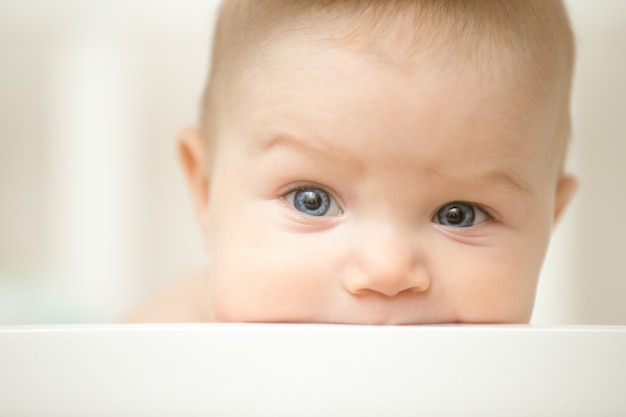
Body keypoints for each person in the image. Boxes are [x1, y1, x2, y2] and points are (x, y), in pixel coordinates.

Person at [126, 0, 578, 324]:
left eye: (459, 215)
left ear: (550, 219)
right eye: (312, 201)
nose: (387, 271)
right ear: (205, 190)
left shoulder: (545, 384)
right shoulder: (154, 359)